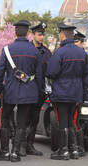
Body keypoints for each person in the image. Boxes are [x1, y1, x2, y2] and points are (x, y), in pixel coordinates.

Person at [0, 20, 44, 162]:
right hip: (29, 91)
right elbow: (39, 75)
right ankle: (15, 152)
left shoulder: (7, 50)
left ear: (15, 33)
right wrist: (39, 91)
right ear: (28, 34)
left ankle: (4, 151)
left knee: (5, 119)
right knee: (22, 122)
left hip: (10, 90)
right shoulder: (35, 51)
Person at [46, 23, 88, 160]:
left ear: (62, 35)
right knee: (72, 121)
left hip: (61, 92)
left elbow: (51, 73)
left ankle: (63, 150)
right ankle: (74, 150)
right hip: (76, 93)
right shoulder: (82, 53)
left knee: (62, 121)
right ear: (73, 36)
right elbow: (87, 74)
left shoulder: (60, 52)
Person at [26, 22, 52, 156]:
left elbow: (50, 72)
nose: (42, 37)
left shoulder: (46, 53)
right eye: (39, 34)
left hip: (39, 92)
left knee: (34, 119)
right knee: (24, 119)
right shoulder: (27, 50)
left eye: (43, 34)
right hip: (26, 91)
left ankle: (29, 145)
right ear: (33, 35)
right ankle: (20, 145)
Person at [74, 30, 88, 157]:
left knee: (75, 120)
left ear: (81, 42)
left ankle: (79, 147)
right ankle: (76, 146)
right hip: (78, 93)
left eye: (75, 41)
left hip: (78, 94)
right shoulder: (84, 56)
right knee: (75, 120)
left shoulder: (85, 57)